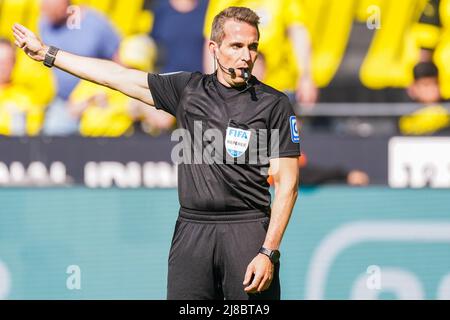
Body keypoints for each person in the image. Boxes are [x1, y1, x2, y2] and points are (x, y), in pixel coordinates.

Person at [12, 6, 300, 300]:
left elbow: (288, 186)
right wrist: (48, 54)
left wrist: (268, 251)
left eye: (252, 46)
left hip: (247, 230)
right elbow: (117, 76)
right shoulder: (188, 90)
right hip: (192, 230)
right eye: (236, 46)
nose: (246, 55)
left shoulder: (274, 104)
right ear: (214, 48)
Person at [39, 0, 121, 136]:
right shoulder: (44, 25)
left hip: (96, 101)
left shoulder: (95, 24)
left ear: (64, 4)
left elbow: (120, 61)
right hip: (62, 102)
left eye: (48, 8)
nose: (44, 13)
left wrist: (106, 95)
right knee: (53, 131)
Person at [0, 38, 44, 136]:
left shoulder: (27, 98)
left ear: (14, 63)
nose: (2, 67)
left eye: (6, 62)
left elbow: (33, 131)